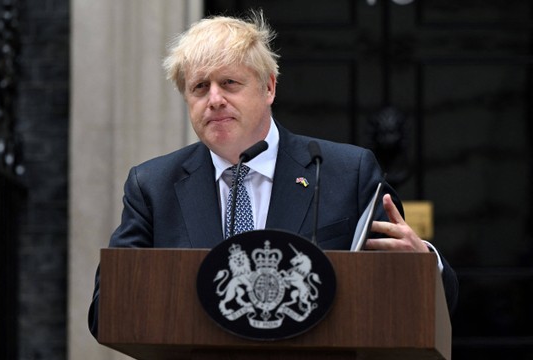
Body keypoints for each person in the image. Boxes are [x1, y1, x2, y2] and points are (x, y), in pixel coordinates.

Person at [88, 10, 458, 338]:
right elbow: (106, 310)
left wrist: (423, 264)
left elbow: (423, 301)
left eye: (229, 83)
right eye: (200, 87)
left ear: (269, 87)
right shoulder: (153, 186)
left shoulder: (347, 172)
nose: (214, 98)